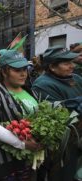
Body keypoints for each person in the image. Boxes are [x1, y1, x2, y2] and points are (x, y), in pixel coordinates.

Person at [0, 50, 42, 181]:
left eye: (24, 68)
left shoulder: (31, 91)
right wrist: (22, 144)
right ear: (4, 71)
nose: (23, 73)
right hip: (5, 162)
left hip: (29, 160)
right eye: (17, 70)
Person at [32, 45, 82, 181]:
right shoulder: (42, 84)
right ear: (52, 67)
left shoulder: (76, 78)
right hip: (65, 145)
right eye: (66, 63)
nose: (72, 66)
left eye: (72, 62)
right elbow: (60, 116)